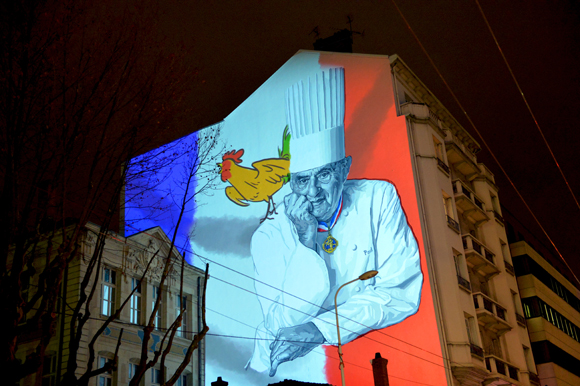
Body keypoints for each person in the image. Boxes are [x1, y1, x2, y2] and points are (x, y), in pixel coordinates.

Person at [247, 68, 423, 376]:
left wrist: (319, 329)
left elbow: (401, 291)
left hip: (362, 364)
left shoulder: (378, 198)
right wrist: (304, 243)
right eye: (302, 180)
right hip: (279, 369)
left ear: (343, 170)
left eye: (324, 175)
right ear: (290, 183)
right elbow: (283, 322)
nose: (312, 192)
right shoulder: (268, 236)